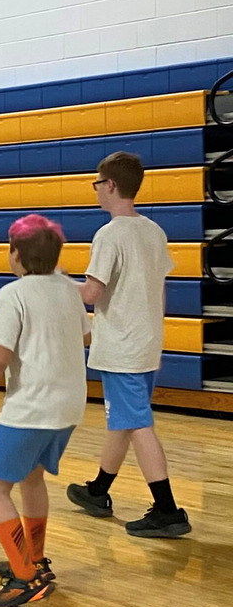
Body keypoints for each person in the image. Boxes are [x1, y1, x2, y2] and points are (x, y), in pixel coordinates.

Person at [0, 214, 91, 607]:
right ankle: (34, 559)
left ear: (15, 253)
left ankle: (24, 577)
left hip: (31, 407)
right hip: (69, 405)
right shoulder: (69, 289)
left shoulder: (14, 294)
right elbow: (85, 336)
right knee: (32, 479)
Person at [66, 151, 191, 537]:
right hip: (146, 343)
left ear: (111, 185)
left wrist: (51, 285)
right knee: (122, 420)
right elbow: (160, 290)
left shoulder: (110, 234)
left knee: (136, 423)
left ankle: (167, 510)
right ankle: (99, 491)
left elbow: (91, 293)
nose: (96, 190)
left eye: (98, 183)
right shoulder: (153, 231)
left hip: (121, 348)